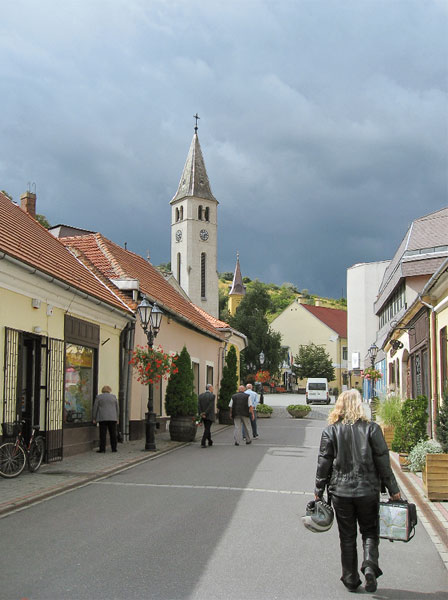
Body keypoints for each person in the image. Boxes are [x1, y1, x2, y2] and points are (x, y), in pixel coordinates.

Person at [314, 389, 401, 593]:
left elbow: (323, 463)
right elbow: (383, 461)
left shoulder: (330, 431)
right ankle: (370, 566)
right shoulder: (372, 429)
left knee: (347, 536)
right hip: (368, 490)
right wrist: (393, 490)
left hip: (340, 492)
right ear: (360, 405)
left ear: (340, 405)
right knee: (370, 531)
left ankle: (351, 578)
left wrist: (318, 490)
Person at [92, 385, 119, 453]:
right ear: (109, 390)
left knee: (102, 434)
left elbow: (95, 408)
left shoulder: (99, 397)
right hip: (113, 418)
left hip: (102, 418)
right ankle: (114, 448)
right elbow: (117, 408)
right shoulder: (114, 397)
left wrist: (94, 417)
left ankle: (102, 449)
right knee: (113, 434)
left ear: (102, 390)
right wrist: (117, 417)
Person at [198, 384, 215, 448]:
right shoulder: (212, 396)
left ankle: (210, 441)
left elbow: (199, 406)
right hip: (209, 415)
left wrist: (201, 413)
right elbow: (210, 406)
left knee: (207, 428)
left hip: (203, 415)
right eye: (212, 388)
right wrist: (205, 413)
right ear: (209, 388)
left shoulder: (200, 396)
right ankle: (203, 442)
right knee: (207, 429)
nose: (213, 389)